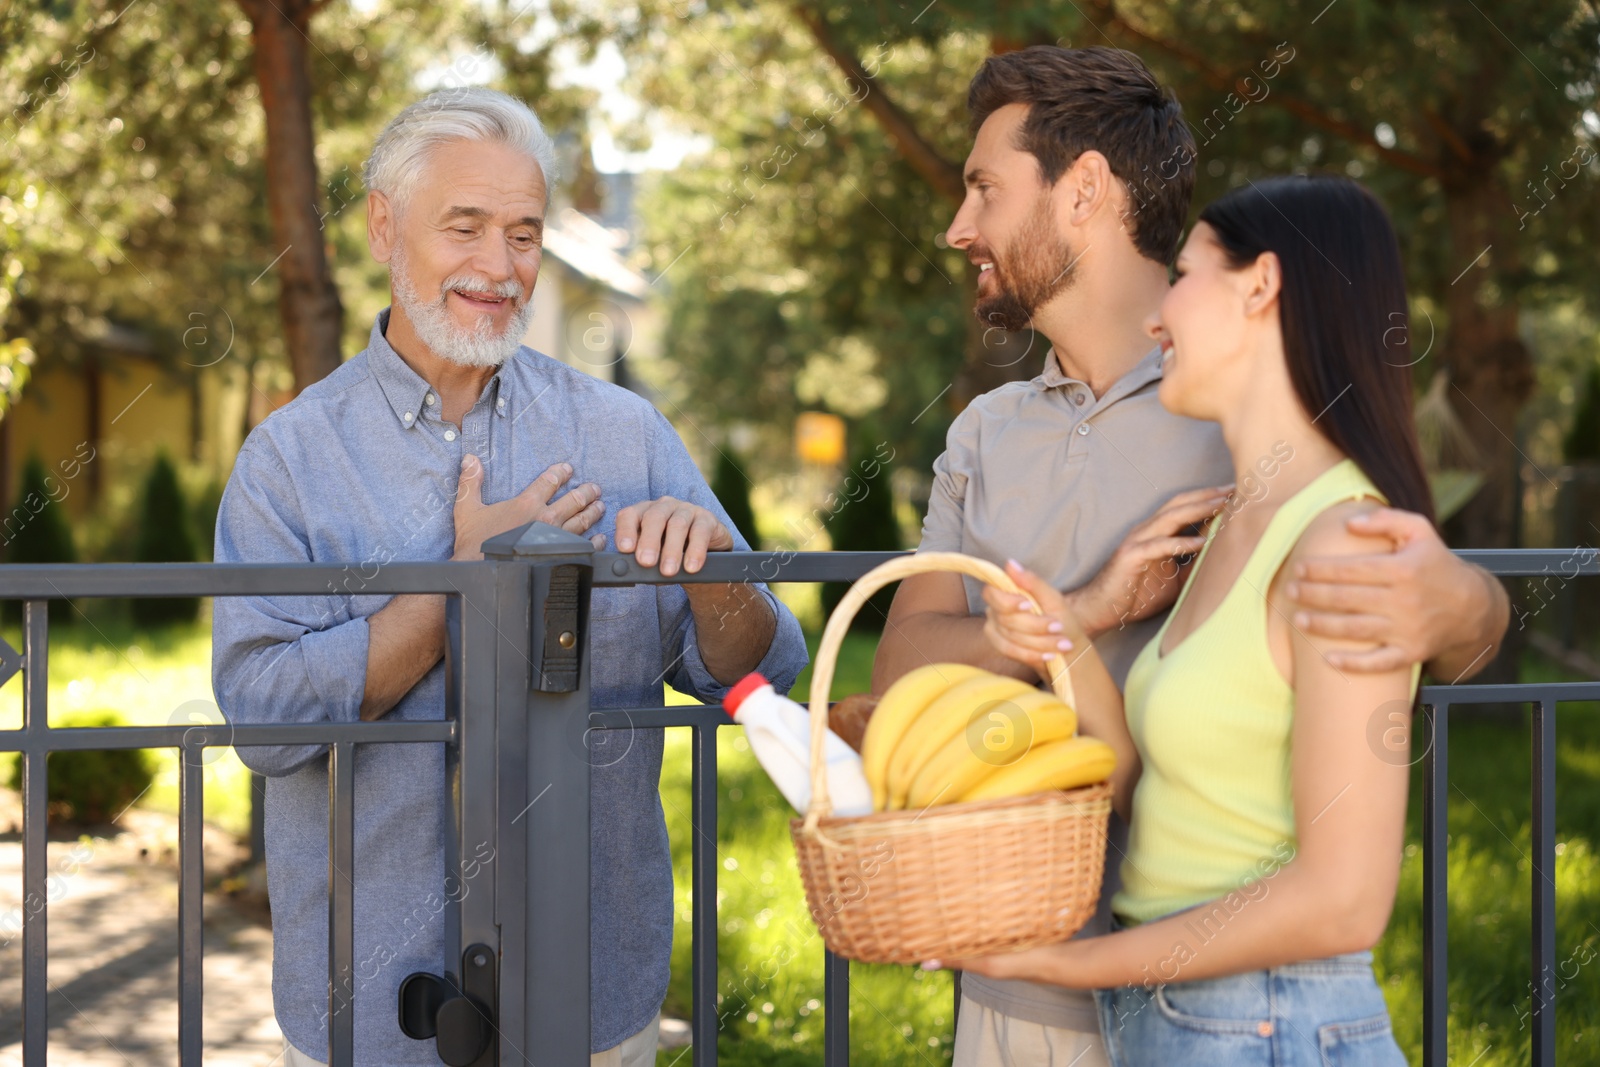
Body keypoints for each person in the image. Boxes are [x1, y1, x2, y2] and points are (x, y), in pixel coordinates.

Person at [864, 47, 1510, 1067]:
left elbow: (1410, 592)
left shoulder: (1272, 436)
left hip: (1224, 994)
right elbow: (909, 678)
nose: (958, 227)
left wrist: (1464, 599)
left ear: (1081, 189)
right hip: (1046, 977)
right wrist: (1077, 611)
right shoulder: (995, 432)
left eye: (983, 188)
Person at [211, 87, 809, 1067]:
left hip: (592, 999)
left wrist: (715, 572)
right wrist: (463, 587)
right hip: (367, 1014)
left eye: (524, 233)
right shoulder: (288, 461)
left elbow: (759, 672)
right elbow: (264, 721)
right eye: (466, 227)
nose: (500, 267)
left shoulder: (626, 433)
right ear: (381, 225)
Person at [934, 173, 1423, 1067]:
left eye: (1187, 275)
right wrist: (1071, 629)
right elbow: (1144, 778)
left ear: (1261, 286)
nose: (1159, 320)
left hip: (1266, 1021)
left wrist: (1072, 964)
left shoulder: (1344, 542)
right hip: (1186, 1022)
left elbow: (1344, 899)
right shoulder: (1233, 518)